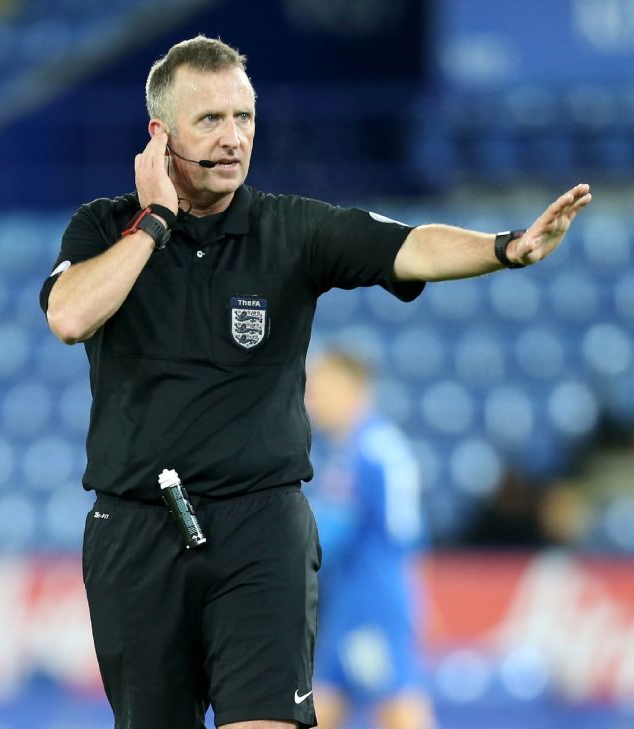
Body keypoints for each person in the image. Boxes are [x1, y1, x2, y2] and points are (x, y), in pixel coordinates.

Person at [40, 35, 591, 729]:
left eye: (244, 117)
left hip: (260, 524)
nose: (233, 137)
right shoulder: (103, 226)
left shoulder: (291, 229)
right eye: (210, 119)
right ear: (161, 135)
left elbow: (408, 245)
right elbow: (69, 315)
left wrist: (505, 248)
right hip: (135, 529)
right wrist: (155, 223)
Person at [305, 349, 434, 729]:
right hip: (348, 600)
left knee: (398, 708)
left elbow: (397, 533)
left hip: (371, 602)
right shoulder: (355, 448)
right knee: (323, 706)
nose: (314, 401)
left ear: (354, 389)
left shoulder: (371, 450)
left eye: (322, 389)